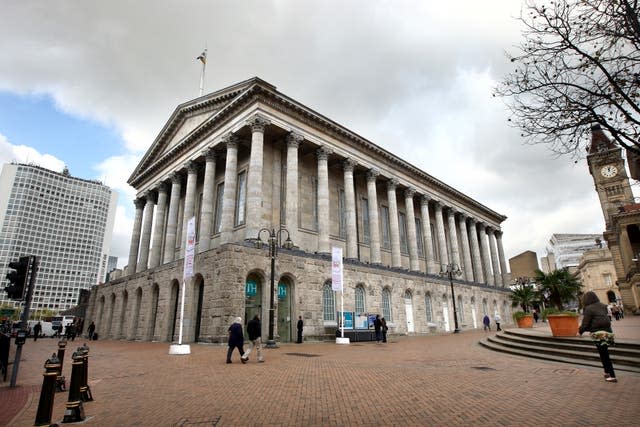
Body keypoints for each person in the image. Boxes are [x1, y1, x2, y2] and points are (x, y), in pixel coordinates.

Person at [579, 291, 617, 382]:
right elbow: (604, 318)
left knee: (604, 354)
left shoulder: (588, 308)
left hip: (598, 334)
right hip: (608, 332)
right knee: (603, 352)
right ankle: (606, 372)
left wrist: (580, 331)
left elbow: (585, 322)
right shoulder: (603, 305)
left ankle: (612, 376)